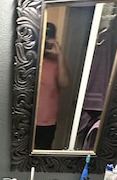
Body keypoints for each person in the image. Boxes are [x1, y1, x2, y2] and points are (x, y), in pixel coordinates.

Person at [35, 22, 69, 150]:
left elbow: (64, 83)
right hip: (25, 117)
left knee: (42, 155)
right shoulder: (28, 57)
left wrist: (59, 54)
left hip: (47, 120)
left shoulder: (57, 60)